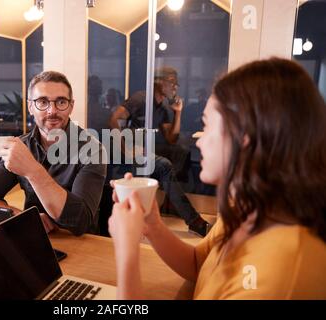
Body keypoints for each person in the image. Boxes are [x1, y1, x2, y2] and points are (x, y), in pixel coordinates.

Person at [109, 58, 326, 299]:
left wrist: (126, 251)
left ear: (245, 135)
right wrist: (153, 225)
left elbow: (171, 138)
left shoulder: (279, 275)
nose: (200, 140)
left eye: (207, 125)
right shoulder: (245, 209)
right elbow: (198, 264)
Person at [0, 71, 106, 236]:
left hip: (82, 246)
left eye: (61, 102)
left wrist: (32, 170)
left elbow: (81, 222)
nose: (52, 111)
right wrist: (20, 216)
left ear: (71, 106)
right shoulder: (21, 146)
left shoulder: (93, 150)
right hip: (32, 236)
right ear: (30, 107)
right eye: (42, 102)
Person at [108, 67, 209, 236]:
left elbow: (171, 138)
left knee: (181, 153)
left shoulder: (162, 108)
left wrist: (178, 113)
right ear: (159, 82)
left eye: (176, 84)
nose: (175, 87)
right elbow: (113, 120)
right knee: (164, 165)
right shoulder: (141, 99)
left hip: (141, 152)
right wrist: (126, 149)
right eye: (171, 82)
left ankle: (173, 204)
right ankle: (192, 219)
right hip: (125, 153)